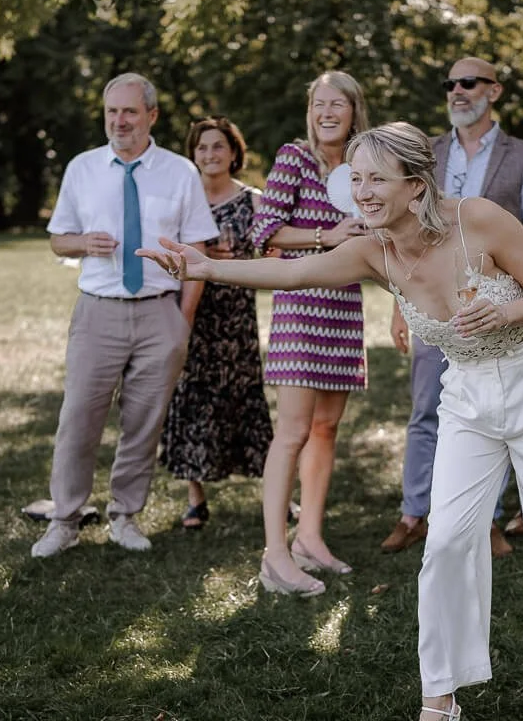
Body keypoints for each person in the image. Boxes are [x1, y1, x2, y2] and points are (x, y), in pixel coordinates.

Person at [139, 122, 523, 721]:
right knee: (444, 543)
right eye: (354, 178)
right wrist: (205, 266)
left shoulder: (482, 219)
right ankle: (439, 702)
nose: (359, 191)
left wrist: (505, 310)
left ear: (416, 187)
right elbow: (296, 274)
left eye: (374, 179)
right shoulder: (374, 250)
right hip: (471, 398)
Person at [30, 73, 217, 559]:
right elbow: (57, 239)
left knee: (144, 422)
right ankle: (65, 519)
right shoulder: (83, 168)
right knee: (78, 419)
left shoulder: (179, 172)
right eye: (112, 112)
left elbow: (197, 250)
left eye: (129, 111)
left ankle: (125, 515)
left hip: (160, 315)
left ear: (151, 115)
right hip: (98, 313)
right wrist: (81, 243)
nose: (120, 121)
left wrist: (182, 320)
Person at [380, 56, 523, 559]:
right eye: (450, 83)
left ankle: (489, 520)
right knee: (425, 407)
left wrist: (502, 278)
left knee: (495, 413)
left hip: (495, 307)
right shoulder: (426, 153)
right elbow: (399, 238)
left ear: (493, 91)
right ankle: (414, 511)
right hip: (432, 305)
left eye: (468, 82)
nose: (456, 91)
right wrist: (401, 304)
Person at [249, 71, 371, 595]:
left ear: (353, 111)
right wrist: (327, 235)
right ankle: (275, 555)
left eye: (337, 104)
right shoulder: (293, 159)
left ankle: (310, 538)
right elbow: (265, 232)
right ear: (310, 110)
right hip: (299, 307)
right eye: (319, 103)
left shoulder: (364, 167)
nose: (327, 112)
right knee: (293, 431)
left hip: (343, 305)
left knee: (326, 429)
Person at [158, 116, 274, 529]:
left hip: (236, 315)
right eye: (202, 148)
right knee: (193, 398)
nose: (210, 154)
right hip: (192, 313)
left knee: (245, 397)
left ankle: (276, 496)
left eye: (218, 147)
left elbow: (274, 258)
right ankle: (195, 497)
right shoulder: (180, 201)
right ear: (192, 154)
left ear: (234, 152)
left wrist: (233, 264)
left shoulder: (254, 200)